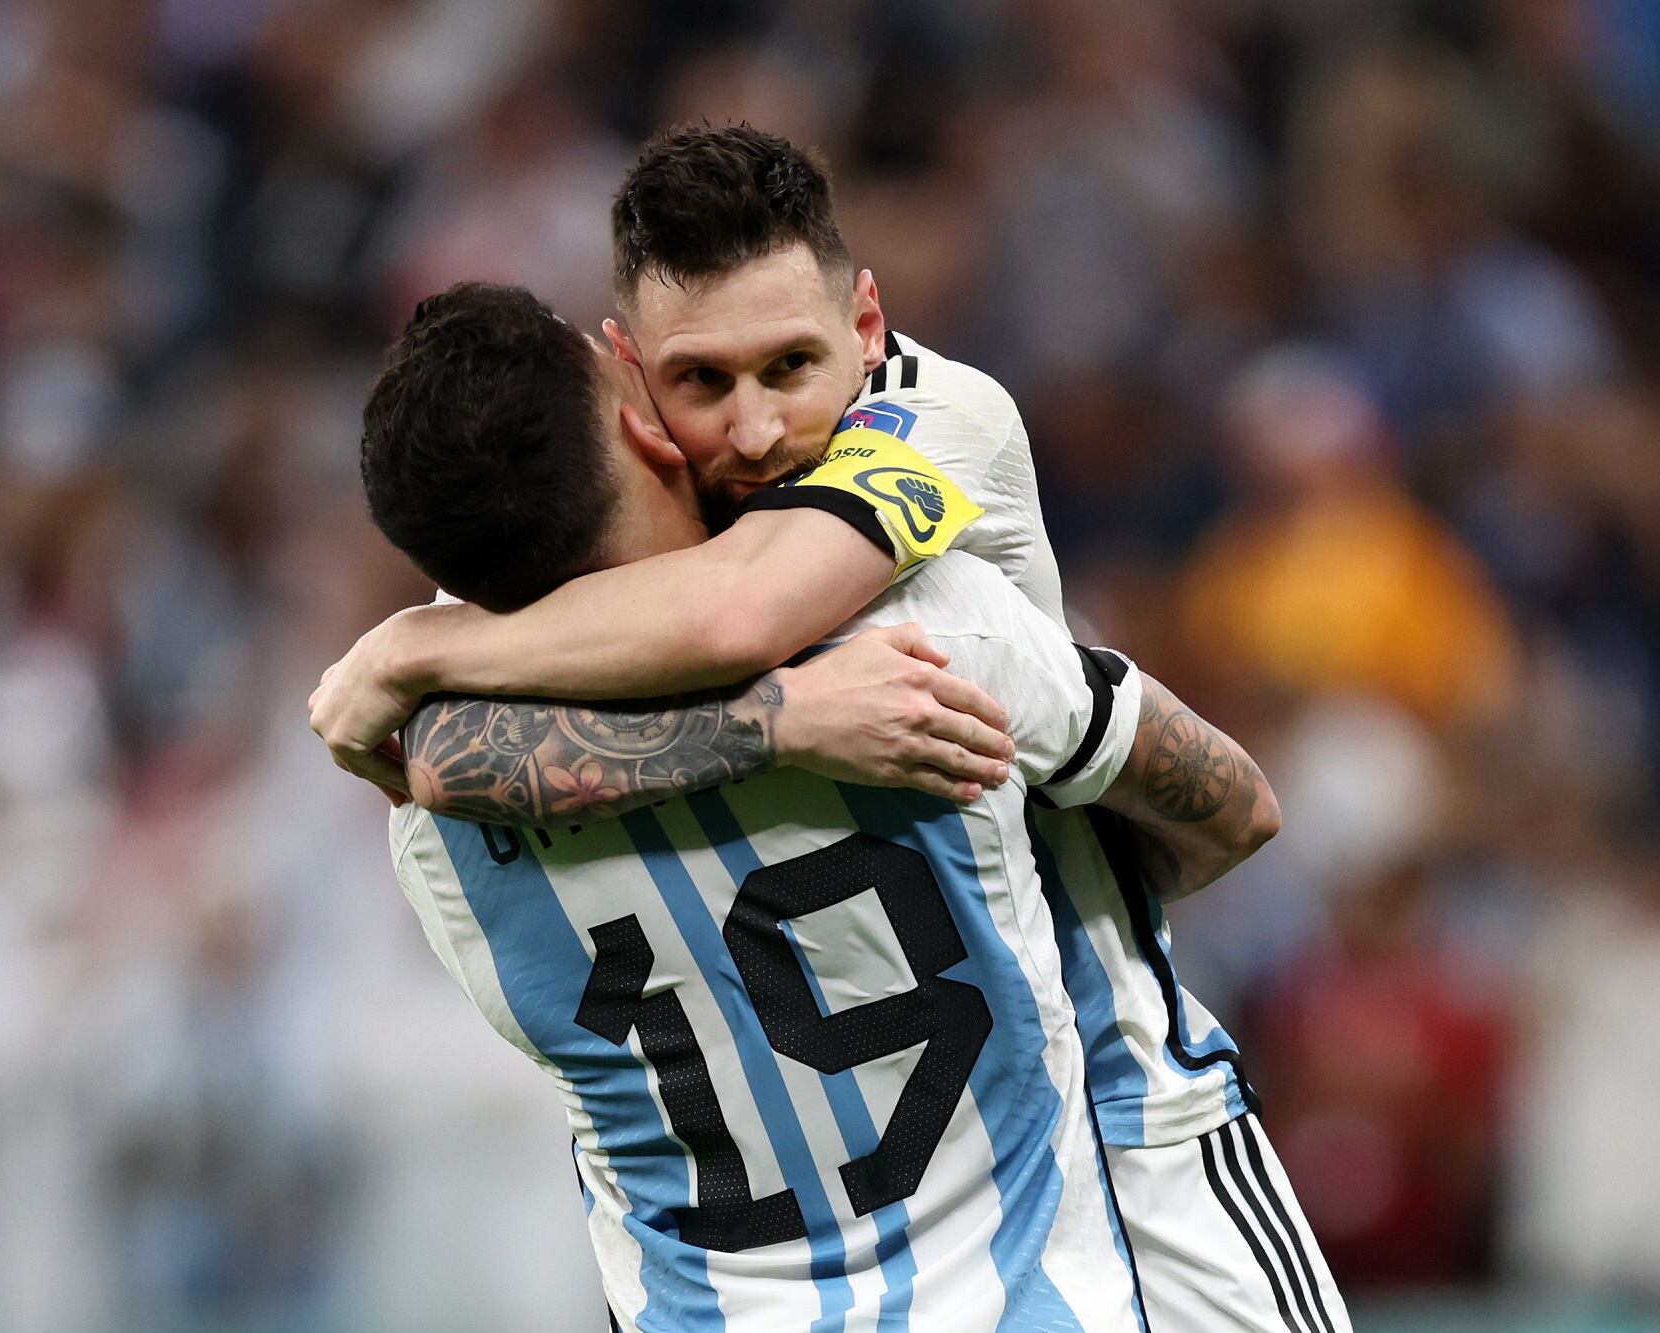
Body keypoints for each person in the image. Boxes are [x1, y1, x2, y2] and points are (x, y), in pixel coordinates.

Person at [313, 124, 1349, 1331]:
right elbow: (1228, 808)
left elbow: (733, 614)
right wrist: (786, 725)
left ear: (867, 330)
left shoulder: (932, 417)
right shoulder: (919, 638)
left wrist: (420, 650)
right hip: (1013, 1204)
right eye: (701, 382)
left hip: (1091, 1127)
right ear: (633, 383)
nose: (755, 434)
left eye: (791, 366)